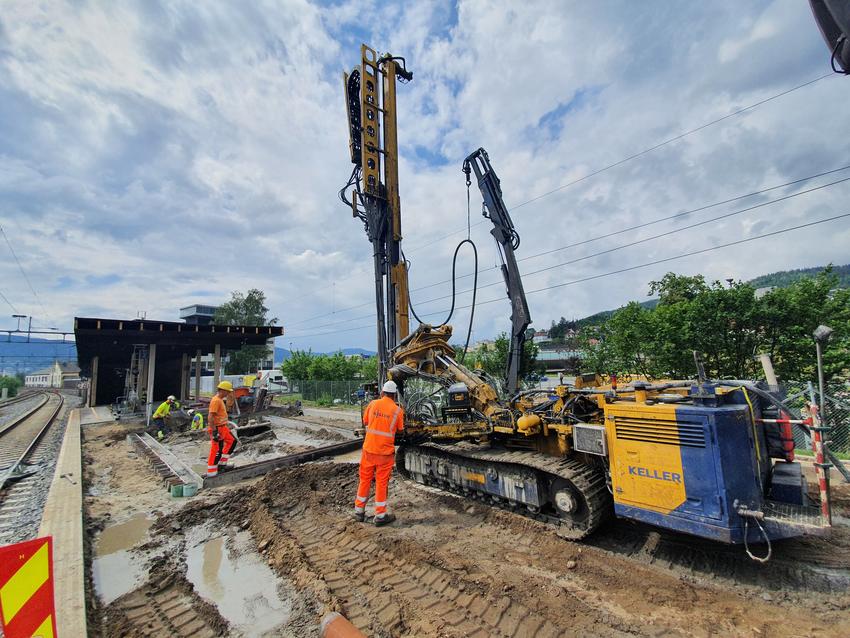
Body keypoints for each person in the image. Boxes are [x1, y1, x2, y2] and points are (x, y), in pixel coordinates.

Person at [353, 380, 404, 526]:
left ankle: (359, 512)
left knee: (365, 479)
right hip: (385, 453)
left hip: (369, 450)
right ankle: (380, 515)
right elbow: (400, 429)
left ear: (382, 393)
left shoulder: (373, 404)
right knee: (381, 483)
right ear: (395, 396)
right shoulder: (397, 410)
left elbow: (366, 420)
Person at [206, 381, 237, 477]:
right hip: (218, 428)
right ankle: (211, 472)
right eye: (227, 391)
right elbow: (210, 416)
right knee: (216, 450)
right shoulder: (216, 401)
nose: (228, 393)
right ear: (223, 390)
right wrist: (214, 431)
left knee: (232, 441)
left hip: (223, 427)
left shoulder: (220, 400)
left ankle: (222, 465)